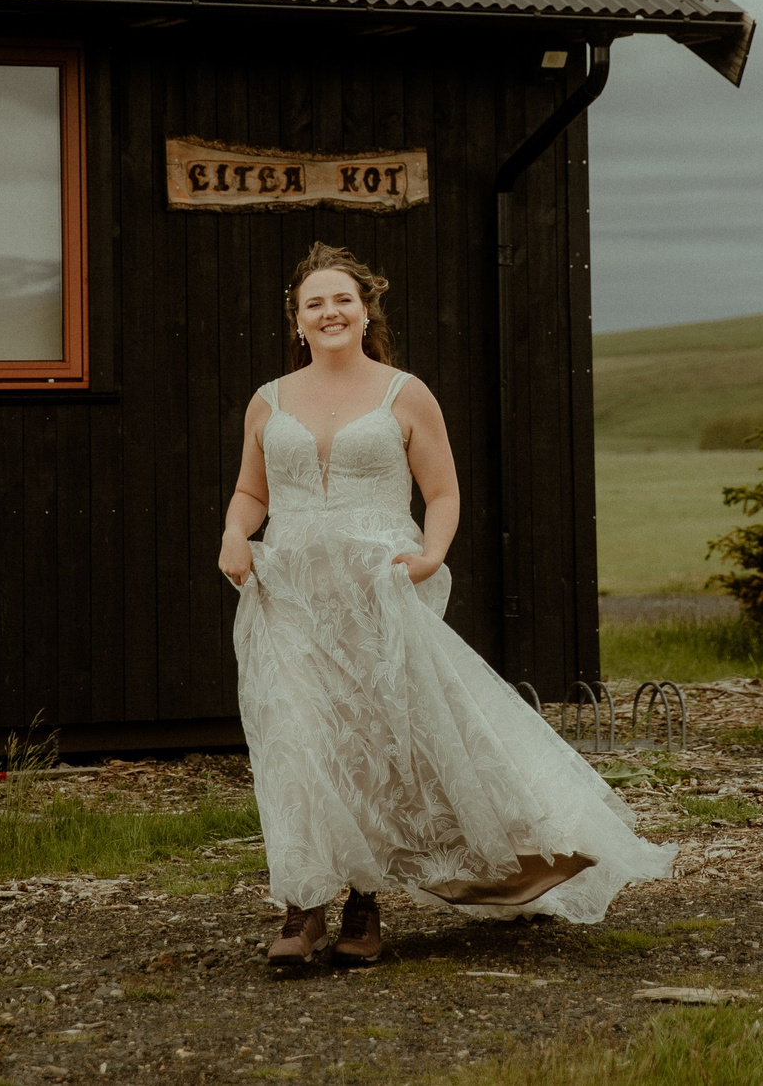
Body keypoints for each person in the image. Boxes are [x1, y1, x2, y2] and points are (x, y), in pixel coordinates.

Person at [219, 242, 674, 968]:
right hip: (294, 598)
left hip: (379, 593)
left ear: (366, 311)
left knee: (382, 748)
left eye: (342, 300)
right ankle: (302, 908)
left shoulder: (404, 393)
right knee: (299, 742)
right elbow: (252, 492)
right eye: (315, 303)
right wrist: (234, 535)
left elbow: (444, 492)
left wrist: (432, 553)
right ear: (296, 320)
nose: (330, 312)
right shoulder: (269, 401)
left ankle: (365, 905)